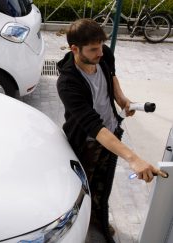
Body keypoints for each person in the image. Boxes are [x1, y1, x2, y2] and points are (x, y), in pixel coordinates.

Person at [56, 18, 167, 242]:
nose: (100, 53)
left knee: (102, 187)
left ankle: (99, 222)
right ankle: (84, 229)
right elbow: (95, 128)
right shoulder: (68, 83)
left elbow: (112, 74)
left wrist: (121, 98)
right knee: (83, 191)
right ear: (74, 48)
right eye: (93, 49)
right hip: (87, 142)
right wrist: (134, 159)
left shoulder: (104, 53)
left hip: (111, 133)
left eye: (100, 47)